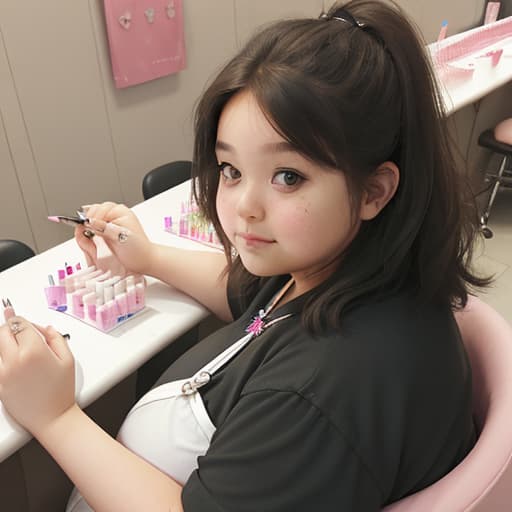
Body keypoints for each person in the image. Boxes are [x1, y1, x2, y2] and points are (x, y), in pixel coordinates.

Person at [0, 1, 491, 510]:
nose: (242, 209)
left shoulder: (323, 393)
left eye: (288, 176)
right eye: (230, 169)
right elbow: (246, 292)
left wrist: (54, 416)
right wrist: (146, 258)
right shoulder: (349, 270)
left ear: (373, 191)